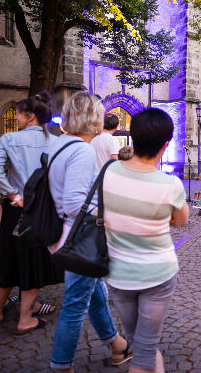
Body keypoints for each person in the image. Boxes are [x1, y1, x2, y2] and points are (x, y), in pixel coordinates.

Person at [46, 92, 130, 372]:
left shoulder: (60, 145)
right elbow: (73, 203)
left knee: (97, 294)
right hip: (80, 239)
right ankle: (61, 365)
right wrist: (106, 217)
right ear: (93, 119)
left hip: (66, 235)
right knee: (74, 305)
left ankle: (117, 345)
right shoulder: (81, 150)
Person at [103, 108, 190, 373]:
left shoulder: (108, 173)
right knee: (143, 354)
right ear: (165, 145)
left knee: (141, 344)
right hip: (157, 275)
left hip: (118, 273)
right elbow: (182, 220)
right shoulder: (170, 185)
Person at [0, 94, 63, 334]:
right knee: (35, 261)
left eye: (18, 113)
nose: (15, 117)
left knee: (7, 257)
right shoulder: (58, 142)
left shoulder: (9, 139)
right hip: (43, 210)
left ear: (30, 116)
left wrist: (13, 195)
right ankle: (25, 317)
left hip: (15, 209)